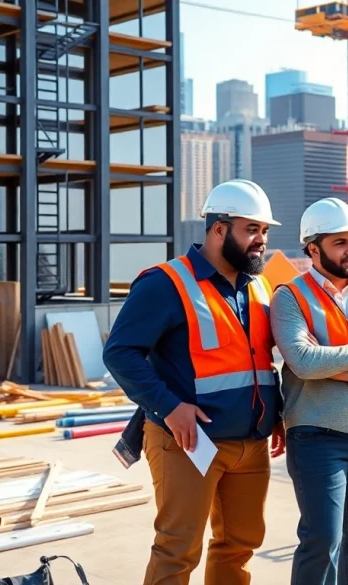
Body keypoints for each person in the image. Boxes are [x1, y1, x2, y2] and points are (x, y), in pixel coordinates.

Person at [103, 179, 285, 585]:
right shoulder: (165, 283)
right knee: (177, 550)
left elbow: (259, 361)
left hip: (250, 445)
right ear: (218, 229)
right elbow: (119, 352)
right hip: (187, 443)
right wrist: (168, 406)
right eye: (251, 229)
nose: (261, 240)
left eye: (265, 231)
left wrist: (276, 414)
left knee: (239, 546)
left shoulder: (260, 286)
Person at [269, 197, 348, 585]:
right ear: (313, 248)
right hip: (316, 435)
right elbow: (304, 362)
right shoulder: (289, 297)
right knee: (322, 540)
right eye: (341, 242)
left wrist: (333, 367)